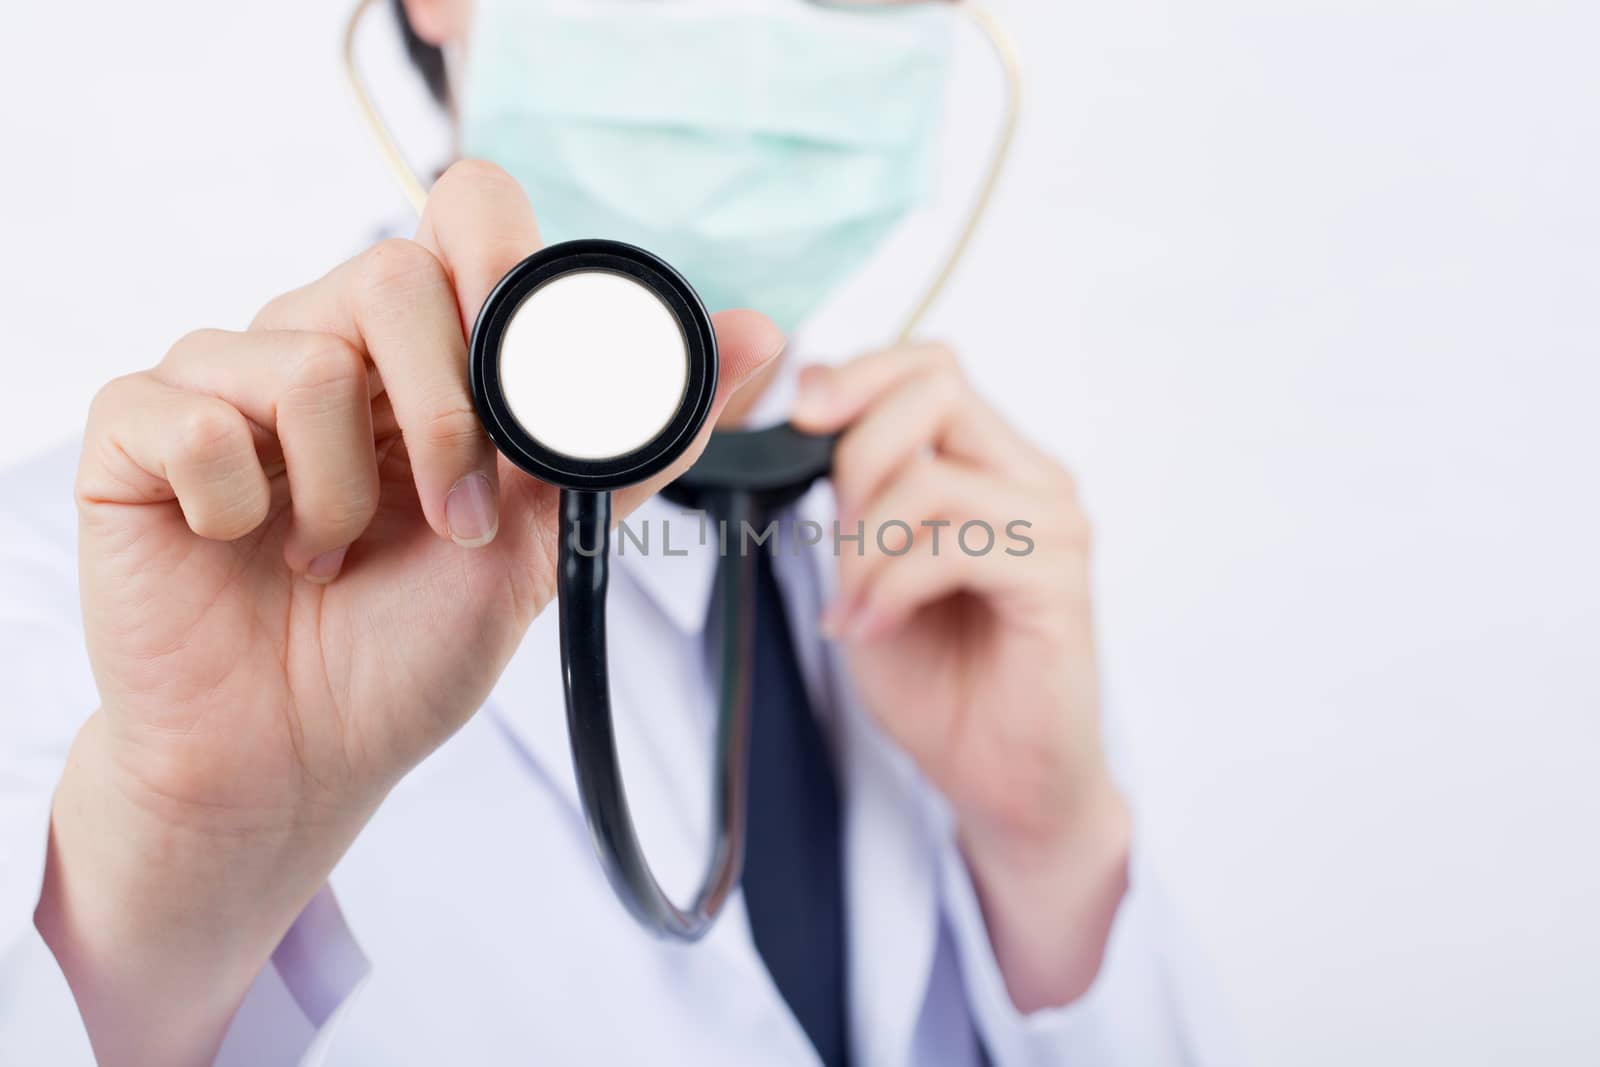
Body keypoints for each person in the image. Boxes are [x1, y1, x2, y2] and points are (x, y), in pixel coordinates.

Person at [0, 1, 1235, 1064]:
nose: (759, 34)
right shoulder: (104, 601)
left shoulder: (959, 572)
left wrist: (1051, 859)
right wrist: (179, 861)